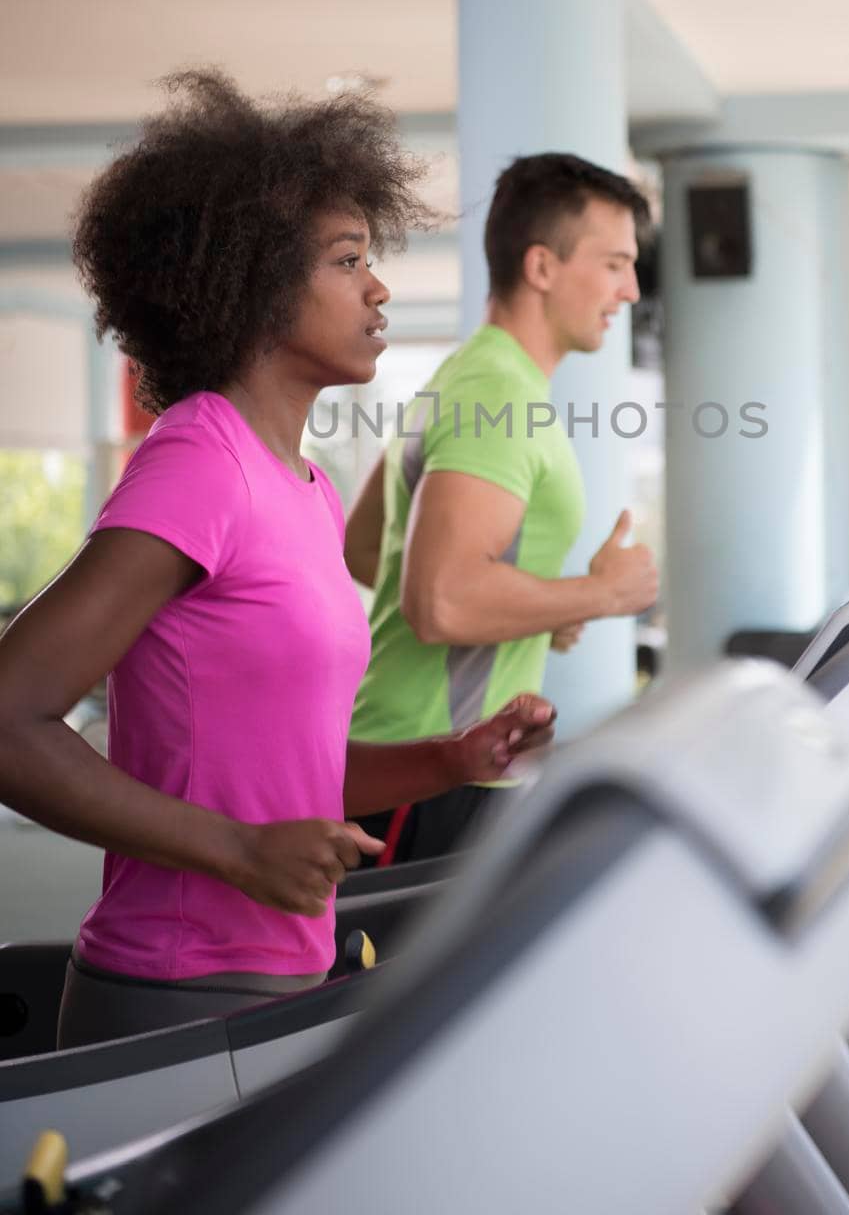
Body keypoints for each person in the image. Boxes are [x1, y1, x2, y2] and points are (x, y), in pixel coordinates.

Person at [0, 71, 554, 1048]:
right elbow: (9, 717)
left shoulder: (304, 487)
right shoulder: (198, 459)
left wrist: (448, 758)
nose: (378, 286)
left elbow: (284, 771)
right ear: (252, 282)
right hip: (175, 991)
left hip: (286, 978)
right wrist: (234, 849)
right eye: (347, 260)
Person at [345, 152, 658, 862]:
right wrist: (600, 593)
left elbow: (367, 548)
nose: (632, 289)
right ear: (543, 268)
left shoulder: (471, 373)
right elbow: (442, 601)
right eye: (614, 264)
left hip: (434, 760)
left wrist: (539, 612)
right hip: (428, 766)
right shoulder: (498, 395)